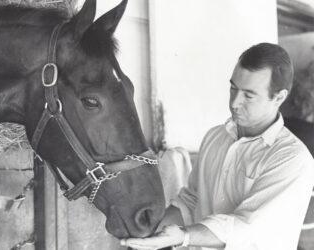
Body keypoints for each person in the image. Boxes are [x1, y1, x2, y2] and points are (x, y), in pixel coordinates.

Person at [121, 43, 314, 250]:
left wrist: (183, 237)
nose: (235, 103)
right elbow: (191, 200)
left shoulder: (293, 159)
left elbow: (246, 228)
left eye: (248, 95)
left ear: (279, 97)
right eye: (233, 88)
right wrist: (151, 233)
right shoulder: (215, 137)